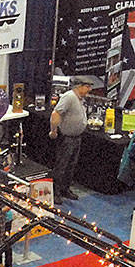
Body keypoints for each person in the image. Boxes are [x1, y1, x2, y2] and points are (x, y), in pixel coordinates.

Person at [48, 76, 94, 204]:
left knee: (71, 165)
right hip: (66, 138)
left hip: (75, 137)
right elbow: (55, 113)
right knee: (61, 166)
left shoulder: (79, 98)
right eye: (87, 86)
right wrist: (53, 130)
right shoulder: (69, 97)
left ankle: (65, 189)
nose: (89, 89)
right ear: (79, 86)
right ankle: (56, 192)